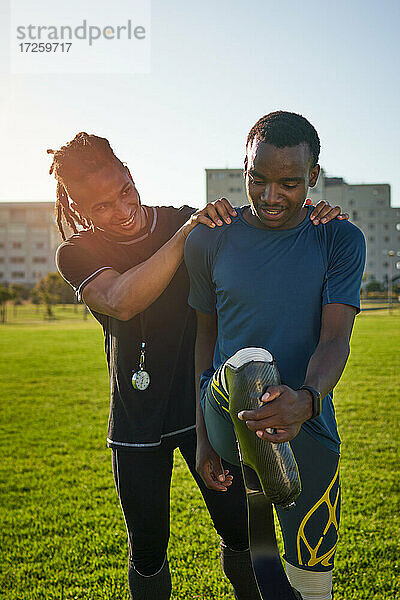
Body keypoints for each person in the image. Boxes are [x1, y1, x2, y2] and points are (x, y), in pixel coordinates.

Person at [51, 131, 348, 600]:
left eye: (124, 192)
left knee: (242, 534)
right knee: (147, 550)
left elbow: (264, 238)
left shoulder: (191, 220)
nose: (122, 210)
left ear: (130, 174)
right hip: (136, 417)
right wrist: (185, 235)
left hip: (208, 405)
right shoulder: (78, 252)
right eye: (101, 207)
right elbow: (119, 301)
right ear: (77, 206)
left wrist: (313, 218)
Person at [184, 111, 366, 600]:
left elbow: (335, 338)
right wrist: (202, 439)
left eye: (288, 183)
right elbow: (205, 339)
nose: (269, 197)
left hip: (308, 422)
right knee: (247, 363)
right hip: (227, 413)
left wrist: (305, 400)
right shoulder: (208, 237)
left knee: (309, 582)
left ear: (313, 177)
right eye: (256, 180)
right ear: (243, 169)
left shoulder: (339, 237)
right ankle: (250, 384)